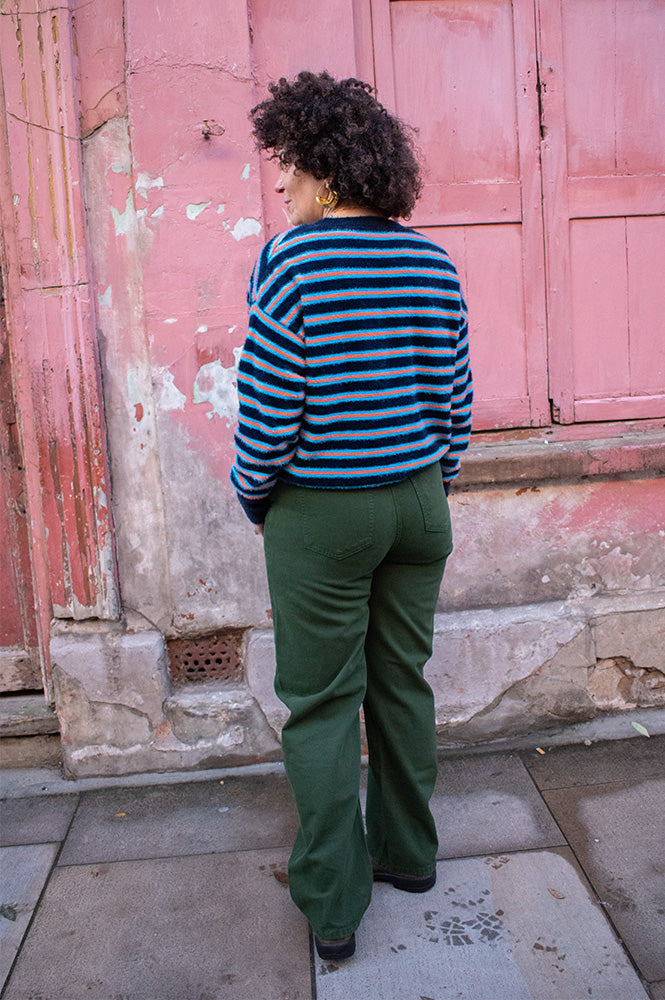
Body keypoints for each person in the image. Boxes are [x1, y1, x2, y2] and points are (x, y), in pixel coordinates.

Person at [231, 71, 472, 960]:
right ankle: (410, 856)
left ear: (327, 174)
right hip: (416, 505)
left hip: (323, 507)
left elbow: (269, 404)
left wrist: (256, 494)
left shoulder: (291, 259)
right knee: (401, 681)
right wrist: (431, 485)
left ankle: (333, 908)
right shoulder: (432, 262)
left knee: (323, 704)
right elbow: (453, 397)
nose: (281, 182)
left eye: (288, 164)